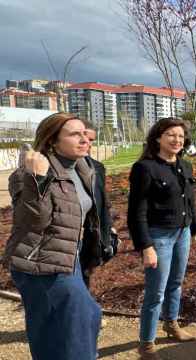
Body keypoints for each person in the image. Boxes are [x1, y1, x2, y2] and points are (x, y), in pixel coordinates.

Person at [4, 112, 103, 359]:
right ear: (52, 141)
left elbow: (87, 210)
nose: (85, 139)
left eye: (85, 134)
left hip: (70, 257)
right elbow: (33, 221)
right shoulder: (24, 175)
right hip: (40, 262)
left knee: (72, 322)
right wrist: (37, 178)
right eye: (74, 134)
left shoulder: (82, 169)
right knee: (73, 325)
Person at [127, 117, 196, 359]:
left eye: (181, 136)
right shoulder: (145, 168)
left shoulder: (185, 166)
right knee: (156, 292)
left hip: (182, 233)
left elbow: (190, 202)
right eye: (171, 134)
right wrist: (146, 246)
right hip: (159, 236)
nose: (177, 140)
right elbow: (136, 212)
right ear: (158, 137)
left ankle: (171, 324)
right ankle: (146, 345)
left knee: (176, 283)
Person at [81, 127, 118, 289]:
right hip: (64, 243)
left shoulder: (97, 167)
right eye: (82, 137)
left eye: (91, 140)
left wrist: (109, 228)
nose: (86, 143)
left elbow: (102, 201)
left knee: (84, 283)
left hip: (91, 237)